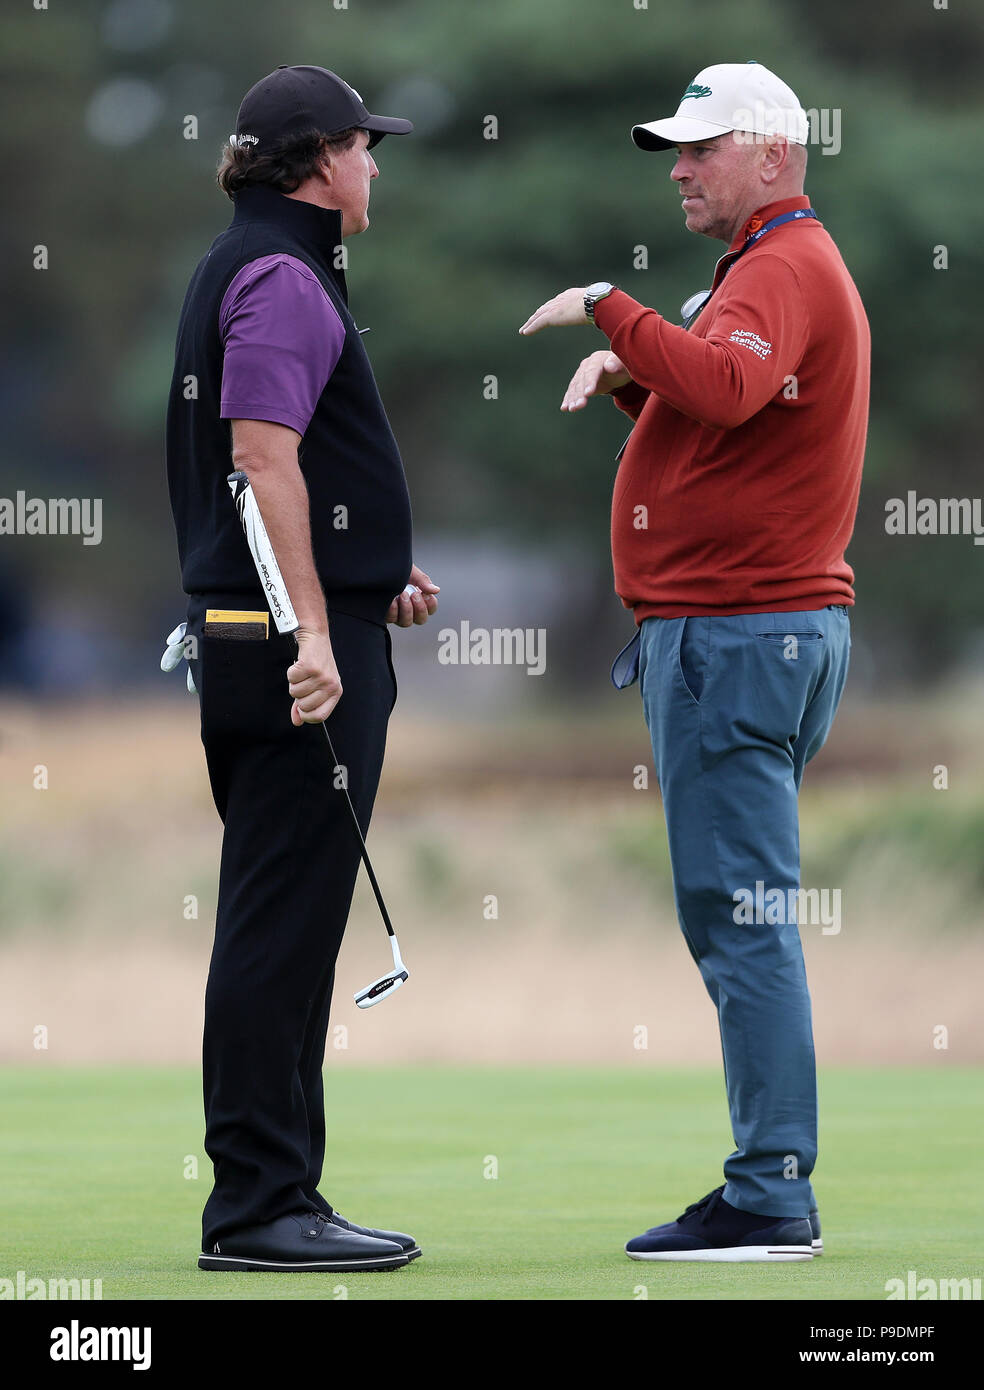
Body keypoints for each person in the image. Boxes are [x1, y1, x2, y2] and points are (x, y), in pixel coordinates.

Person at [519, 61, 868, 1262]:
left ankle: (771, 1193)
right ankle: (769, 1181)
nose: (678, 167)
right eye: (677, 149)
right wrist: (637, 382)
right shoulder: (777, 263)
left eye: (700, 148)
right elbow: (735, 425)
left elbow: (723, 387)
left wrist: (613, 311)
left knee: (743, 919)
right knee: (742, 913)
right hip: (758, 632)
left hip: (737, 635)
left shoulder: (778, 265)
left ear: (772, 152)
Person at [165, 64, 439, 1273]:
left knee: (284, 922)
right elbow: (261, 459)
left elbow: (300, 476)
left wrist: (374, 579)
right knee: (280, 929)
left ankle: (283, 1195)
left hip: (270, 636)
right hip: (287, 656)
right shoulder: (281, 274)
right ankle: (260, 1208)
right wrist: (321, 634)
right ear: (320, 161)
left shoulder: (255, 261)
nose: (376, 165)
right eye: (365, 147)